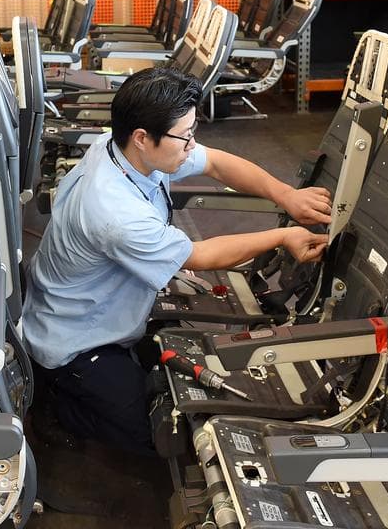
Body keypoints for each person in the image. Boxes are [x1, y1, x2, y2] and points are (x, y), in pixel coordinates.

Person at [22, 67, 329, 454]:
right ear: (142, 138)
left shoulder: (121, 149)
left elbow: (215, 162)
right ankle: (54, 399)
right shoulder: (115, 212)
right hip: (74, 340)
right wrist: (284, 235)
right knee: (154, 439)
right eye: (185, 136)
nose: (192, 144)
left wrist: (286, 195)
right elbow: (199, 256)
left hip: (87, 307)